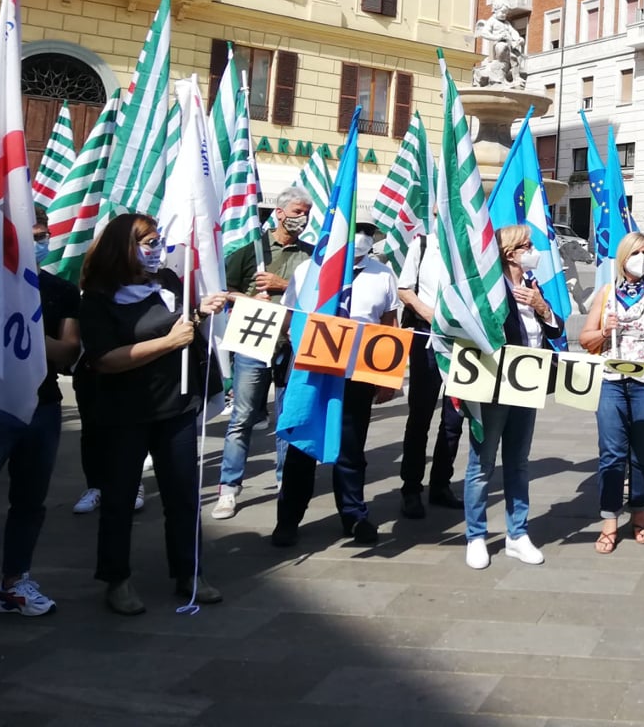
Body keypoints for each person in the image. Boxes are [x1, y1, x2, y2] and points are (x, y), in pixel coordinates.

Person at [76, 213, 229, 614]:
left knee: (183, 496)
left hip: (175, 407)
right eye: (148, 242)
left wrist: (199, 314)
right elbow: (105, 360)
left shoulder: (168, 283)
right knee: (120, 498)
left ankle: (189, 572)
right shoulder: (96, 298)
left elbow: (182, 325)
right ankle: (116, 579)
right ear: (123, 247)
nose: (157, 249)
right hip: (123, 414)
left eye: (158, 240)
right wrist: (169, 342)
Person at [268, 222, 403, 547]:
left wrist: (387, 380)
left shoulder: (382, 275)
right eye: (355, 228)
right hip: (311, 372)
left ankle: (354, 516)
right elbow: (288, 317)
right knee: (301, 446)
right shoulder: (307, 271)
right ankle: (288, 519)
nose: (361, 236)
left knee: (352, 449)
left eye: (368, 231)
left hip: (357, 375)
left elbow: (389, 326)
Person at [0, 207, 80, 616]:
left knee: (30, 501)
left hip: (41, 408)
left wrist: (23, 328)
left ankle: (14, 583)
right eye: (28, 234)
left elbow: (68, 351)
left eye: (41, 234)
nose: (36, 243)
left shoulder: (59, 290)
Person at [462, 225, 564, 569]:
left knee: (518, 462)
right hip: (493, 385)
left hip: (528, 385)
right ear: (509, 252)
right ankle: (476, 535)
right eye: (527, 245)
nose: (533, 250)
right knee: (482, 463)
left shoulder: (533, 285)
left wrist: (542, 307)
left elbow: (556, 328)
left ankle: (517, 534)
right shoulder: (491, 288)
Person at [213, 187, 315, 520]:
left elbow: (316, 296)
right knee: (242, 417)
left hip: (291, 345)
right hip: (252, 341)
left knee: (288, 419)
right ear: (281, 213)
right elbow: (225, 291)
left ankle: (285, 483)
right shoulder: (251, 251)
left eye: (308, 212)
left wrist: (284, 286)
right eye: (299, 211)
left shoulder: (311, 255)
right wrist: (249, 299)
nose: (304, 218)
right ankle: (229, 487)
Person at [580, 232, 644, 554]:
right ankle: (609, 519)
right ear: (623, 257)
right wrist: (604, 330)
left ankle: (640, 515)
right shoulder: (607, 292)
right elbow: (585, 339)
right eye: (638, 252)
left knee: (641, 454)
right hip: (611, 380)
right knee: (611, 454)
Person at [396, 229, 466, 519]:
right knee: (420, 416)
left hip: (461, 343)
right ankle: (411, 488)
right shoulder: (423, 244)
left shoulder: (468, 245)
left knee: (454, 418)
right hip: (425, 337)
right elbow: (404, 289)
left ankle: (441, 483)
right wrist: (429, 314)